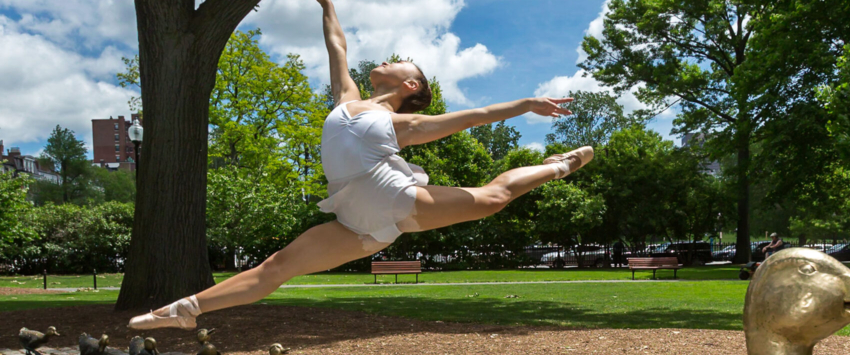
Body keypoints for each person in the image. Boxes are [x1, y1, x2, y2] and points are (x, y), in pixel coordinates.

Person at [130, 0, 592, 330]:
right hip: (356, 221)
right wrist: (326, 3)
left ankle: (557, 166)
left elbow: (472, 117)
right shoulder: (348, 99)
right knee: (276, 266)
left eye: (398, 62)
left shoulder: (404, 121)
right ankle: (185, 309)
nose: (386, 60)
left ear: (410, 83)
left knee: (492, 198)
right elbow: (337, 47)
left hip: (395, 198)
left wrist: (526, 103)